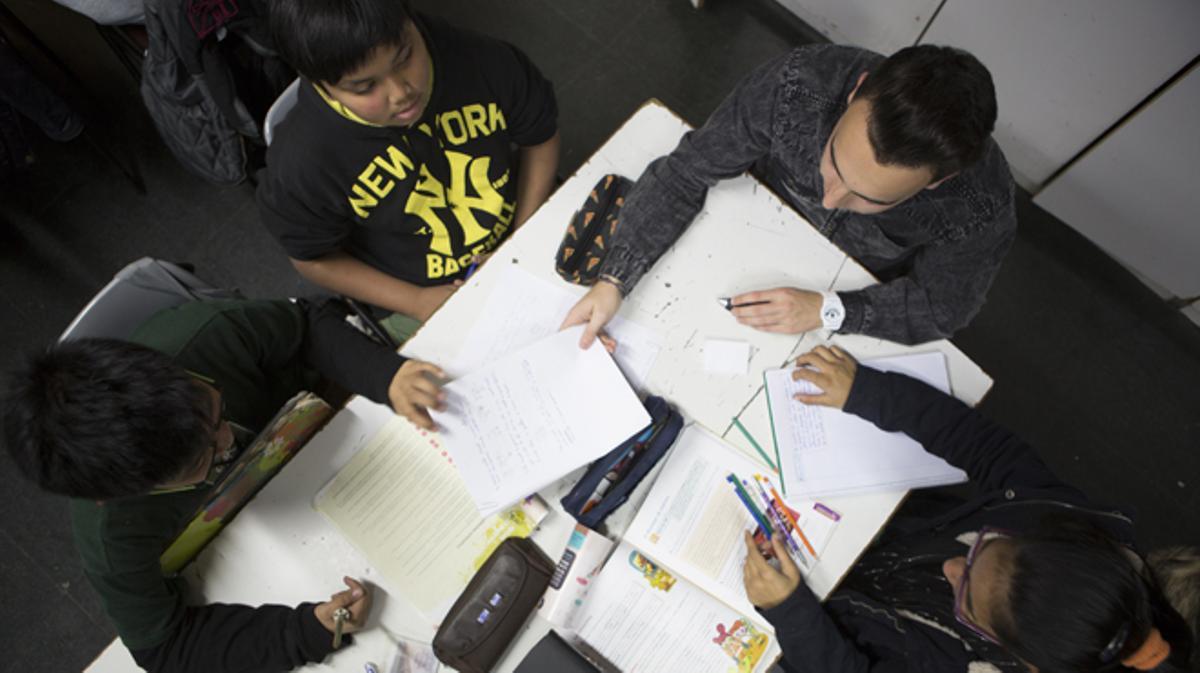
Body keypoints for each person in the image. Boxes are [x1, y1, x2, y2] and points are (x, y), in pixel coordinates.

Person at [0, 298, 448, 672]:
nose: (227, 437)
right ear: (120, 495)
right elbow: (164, 648)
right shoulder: (114, 535)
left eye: (211, 410)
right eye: (202, 457)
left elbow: (305, 328)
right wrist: (304, 631)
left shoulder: (205, 335)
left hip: (342, 420)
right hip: (283, 534)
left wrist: (385, 375)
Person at [740, 346, 1194, 672]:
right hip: (877, 537)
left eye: (967, 599)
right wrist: (868, 392)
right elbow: (981, 445)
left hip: (827, 623)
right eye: (987, 545)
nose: (954, 564)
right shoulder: (1064, 519)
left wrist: (792, 613)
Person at [562, 44, 1015, 347]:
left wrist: (831, 309)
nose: (831, 198)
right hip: (742, 223)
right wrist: (614, 279)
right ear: (857, 89)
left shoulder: (979, 208)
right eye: (834, 161)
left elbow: (942, 309)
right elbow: (686, 172)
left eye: (870, 199)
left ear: (937, 180)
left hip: (844, 285)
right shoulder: (799, 85)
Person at [257, 0, 560, 328]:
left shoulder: (478, 58)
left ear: (410, 19)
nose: (401, 92)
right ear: (323, 85)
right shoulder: (304, 161)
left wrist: (522, 236)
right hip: (415, 290)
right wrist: (415, 301)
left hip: (523, 223)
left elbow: (540, 135)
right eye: (365, 87)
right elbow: (312, 259)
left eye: (404, 58)